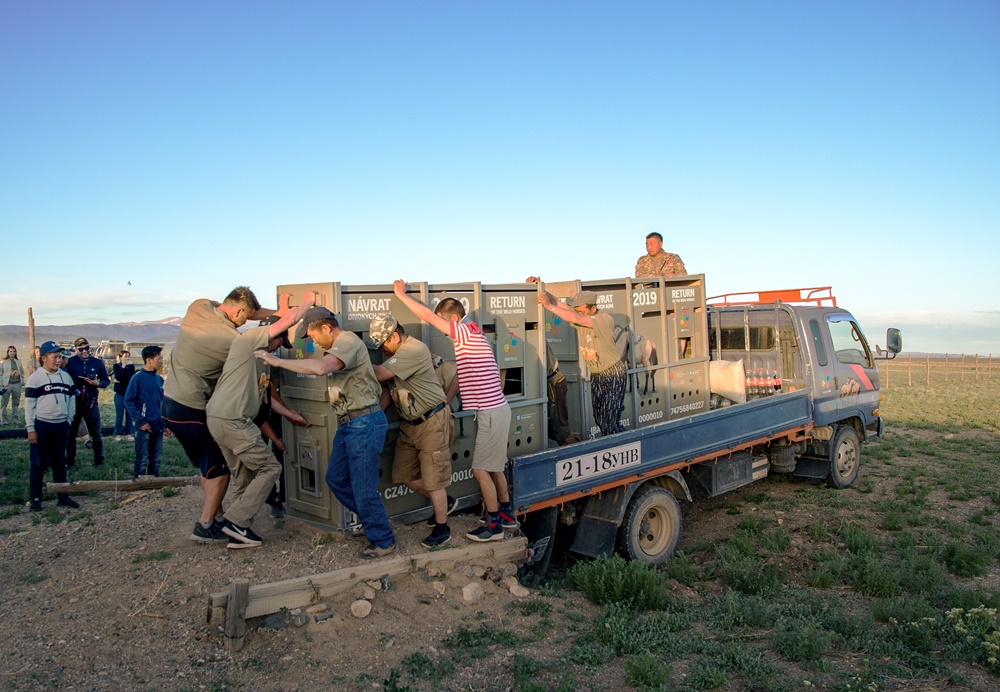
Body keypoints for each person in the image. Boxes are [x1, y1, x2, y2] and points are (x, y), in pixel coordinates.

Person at [256, 308, 396, 559]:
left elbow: (322, 368)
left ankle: (383, 540)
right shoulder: (338, 346)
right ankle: (373, 521)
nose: (314, 342)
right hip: (350, 423)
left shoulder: (348, 341)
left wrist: (277, 361)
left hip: (363, 422)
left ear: (326, 328)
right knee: (336, 479)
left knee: (363, 487)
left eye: (313, 336)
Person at [392, 280, 516, 543]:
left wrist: (401, 295)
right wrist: (447, 400)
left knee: (480, 470)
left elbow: (427, 316)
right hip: (495, 410)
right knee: (494, 468)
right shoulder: (473, 334)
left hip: (491, 412)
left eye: (444, 323)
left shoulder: (463, 332)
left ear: (454, 320)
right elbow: (462, 374)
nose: (445, 332)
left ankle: (494, 525)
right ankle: (507, 513)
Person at [162, 286, 283, 544]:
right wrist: (285, 314)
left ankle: (216, 518)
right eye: (245, 317)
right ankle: (205, 525)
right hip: (192, 405)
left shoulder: (200, 306)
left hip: (170, 403)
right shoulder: (233, 340)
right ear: (239, 312)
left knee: (208, 466)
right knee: (220, 469)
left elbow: (244, 307)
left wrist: (278, 310)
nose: (245, 322)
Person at [208, 306, 314, 549]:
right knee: (270, 468)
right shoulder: (246, 345)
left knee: (244, 474)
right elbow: (287, 320)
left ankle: (236, 532)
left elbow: (266, 400)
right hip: (233, 420)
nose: (278, 347)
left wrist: (291, 415)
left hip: (221, 419)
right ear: (271, 334)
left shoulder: (263, 362)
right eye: (279, 341)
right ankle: (237, 522)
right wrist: (306, 304)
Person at [369, 313, 458, 548]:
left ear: (395, 336)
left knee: (434, 480)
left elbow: (380, 374)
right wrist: (375, 415)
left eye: (383, 344)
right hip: (410, 423)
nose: (382, 350)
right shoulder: (396, 355)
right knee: (403, 475)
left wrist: (353, 359)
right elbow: (390, 390)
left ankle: (442, 529)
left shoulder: (413, 349)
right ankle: (445, 503)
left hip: (432, 420)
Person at [538, 288, 626, 437]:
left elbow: (576, 317)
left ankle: (619, 443)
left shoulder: (604, 320)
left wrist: (549, 307)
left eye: (581, 309)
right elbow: (560, 304)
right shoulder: (581, 313)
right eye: (576, 308)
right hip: (597, 374)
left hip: (612, 373)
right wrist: (542, 291)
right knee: (599, 415)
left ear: (593, 308)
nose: (577, 311)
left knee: (609, 418)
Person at [24, 341, 80, 511]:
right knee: (38, 464)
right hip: (42, 426)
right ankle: (36, 499)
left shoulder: (66, 377)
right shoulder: (35, 378)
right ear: (44, 358)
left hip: (61, 425)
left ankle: (62, 496)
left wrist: (68, 420)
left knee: (60, 462)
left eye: (60, 357)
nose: (58, 360)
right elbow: (29, 406)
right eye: (54, 357)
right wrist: (31, 428)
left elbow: (71, 399)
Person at [525, 277, 575, 445]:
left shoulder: (533, 334)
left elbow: (558, 305)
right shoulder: (532, 334)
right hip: (551, 381)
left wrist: (539, 290)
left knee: (561, 428)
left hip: (554, 381)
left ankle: (574, 453)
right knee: (555, 427)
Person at [64, 337, 110, 468]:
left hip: (91, 403)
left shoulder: (97, 363)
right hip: (75, 403)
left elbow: (106, 380)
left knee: (96, 433)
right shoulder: (70, 362)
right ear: (75, 349)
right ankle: (70, 461)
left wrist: (98, 383)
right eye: (81, 349)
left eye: (87, 348)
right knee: (71, 434)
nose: (84, 351)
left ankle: (99, 461)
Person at [124, 345, 170, 478]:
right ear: (148, 360)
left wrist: (166, 423)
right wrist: (141, 421)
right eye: (159, 358)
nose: (161, 361)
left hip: (158, 425)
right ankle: (139, 484)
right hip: (144, 426)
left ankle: (153, 485)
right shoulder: (137, 378)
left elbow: (162, 402)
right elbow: (128, 401)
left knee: (156, 459)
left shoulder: (158, 379)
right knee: (142, 459)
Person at [112, 350, 136, 441]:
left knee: (129, 415)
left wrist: (121, 378)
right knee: (119, 415)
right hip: (119, 393)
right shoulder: (116, 366)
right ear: (120, 357)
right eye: (125, 356)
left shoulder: (131, 367)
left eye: (128, 356)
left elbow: (130, 377)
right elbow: (118, 376)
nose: (127, 358)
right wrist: (123, 367)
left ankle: (128, 433)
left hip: (129, 393)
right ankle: (118, 434)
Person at [1, 346, 26, 426]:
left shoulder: (18, 362)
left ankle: (16, 420)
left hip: (16, 384)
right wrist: (2, 384)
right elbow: (0, 373)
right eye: (10, 351)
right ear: (8, 352)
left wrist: (22, 381)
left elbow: (22, 372)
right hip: (7, 385)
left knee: (16, 403)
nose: (12, 353)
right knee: (4, 403)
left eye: (14, 351)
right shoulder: (3, 362)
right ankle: (4, 421)